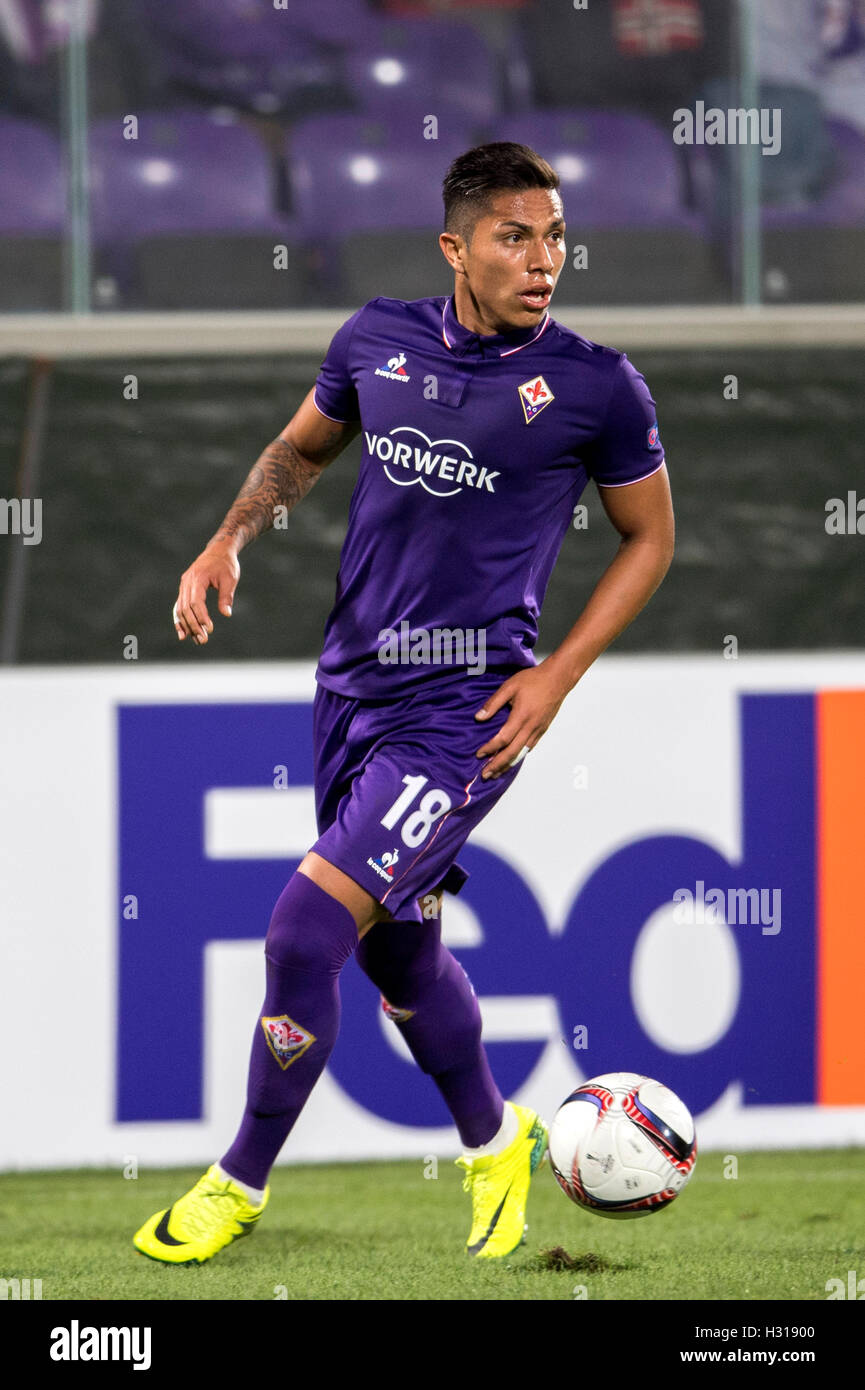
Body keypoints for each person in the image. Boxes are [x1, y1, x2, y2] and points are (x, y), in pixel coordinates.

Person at [133, 141, 674, 1266]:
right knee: (399, 954)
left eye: (556, 236)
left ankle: (237, 1182)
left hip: (468, 714)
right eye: (514, 237)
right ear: (456, 246)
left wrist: (556, 674)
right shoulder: (375, 339)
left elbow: (650, 537)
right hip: (351, 688)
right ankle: (493, 1140)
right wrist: (227, 539)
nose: (543, 260)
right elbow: (299, 449)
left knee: (303, 931)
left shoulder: (593, 384)